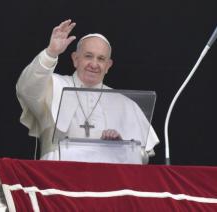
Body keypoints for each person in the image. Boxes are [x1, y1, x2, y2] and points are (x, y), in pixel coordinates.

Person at [16, 19, 159, 161]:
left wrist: (122, 147)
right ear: (75, 59)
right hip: (57, 176)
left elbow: (143, 157)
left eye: (101, 59)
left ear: (108, 65)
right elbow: (26, 88)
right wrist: (51, 53)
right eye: (88, 56)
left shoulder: (125, 103)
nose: (94, 64)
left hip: (110, 180)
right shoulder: (53, 85)